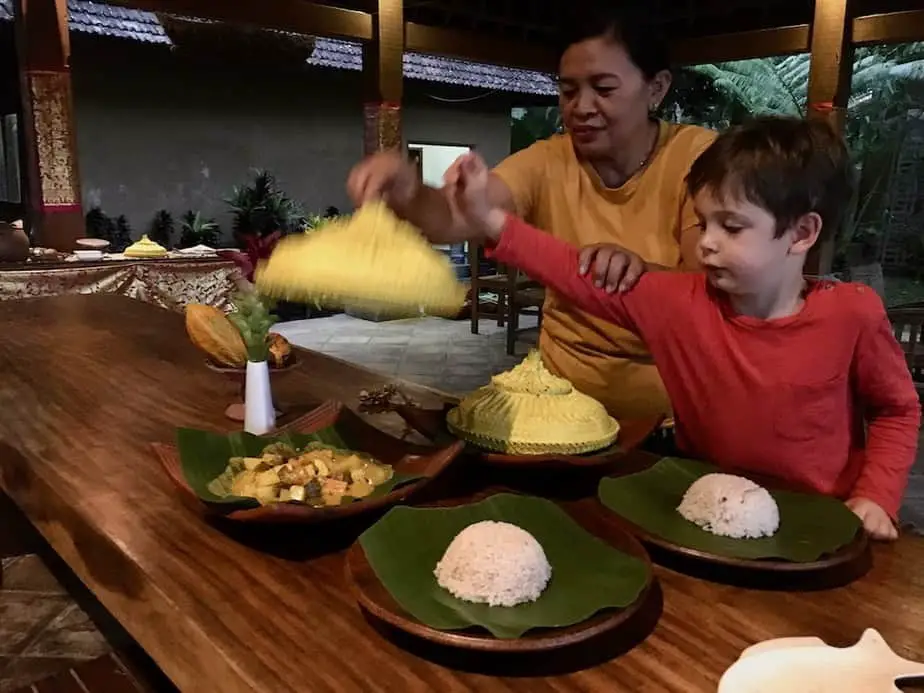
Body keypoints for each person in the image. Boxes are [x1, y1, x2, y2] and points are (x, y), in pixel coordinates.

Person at [442, 116, 920, 541]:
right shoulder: (680, 302)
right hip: (701, 514)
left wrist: (876, 496)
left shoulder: (853, 314)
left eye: (731, 228)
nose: (706, 244)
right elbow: (571, 271)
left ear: (801, 234)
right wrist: (487, 218)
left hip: (820, 526)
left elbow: (896, 409)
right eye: (703, 222)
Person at [346, 8, 717, 421]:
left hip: (675, 418)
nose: (582, 107)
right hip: (561, 407)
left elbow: (706, 293)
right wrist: (410, 191)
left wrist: (639, 271)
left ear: (657, 88)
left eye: (604, 88)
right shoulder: (547, 161)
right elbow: (461, 216)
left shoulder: (699, 158)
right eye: (569, 91)